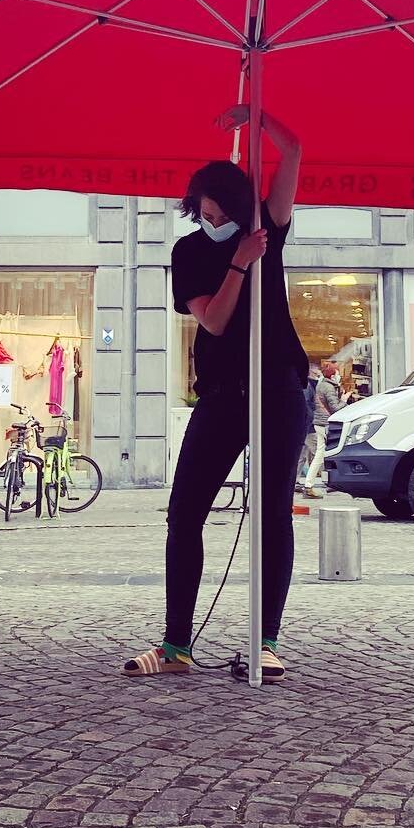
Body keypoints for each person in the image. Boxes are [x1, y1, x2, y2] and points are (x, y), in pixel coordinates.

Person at [123, 106, 310, 683]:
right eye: (203, 214)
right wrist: (238, 262)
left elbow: (296, 150)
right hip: (223, 394)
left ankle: (268, 641)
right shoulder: (191, 252)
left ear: (240, 208)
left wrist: (259, 119)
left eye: (221, 214)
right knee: (185, 512)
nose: (212, 222)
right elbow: (215, 322)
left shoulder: (264, 226)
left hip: (279, 388)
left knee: (273, 513)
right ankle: (176, 643)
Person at [300, 361, 340, 497]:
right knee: (328, 452)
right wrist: (345, 400)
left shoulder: (321, 385)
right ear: (333, 374)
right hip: (325, 423)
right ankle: (332, 482)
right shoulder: (328, 387)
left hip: (319, 423)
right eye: (337, 372)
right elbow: (335, 408)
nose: (339, 375)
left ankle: (309, 485)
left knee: (319, 454)